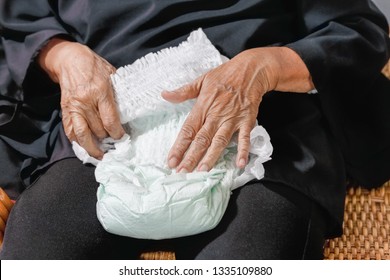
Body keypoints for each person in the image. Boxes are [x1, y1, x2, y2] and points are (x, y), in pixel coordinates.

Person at [0, 0, 389, 259]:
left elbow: (358, 28)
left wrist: (266, 66)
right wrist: (63, 55)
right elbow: (20, 18)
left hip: (262, 132)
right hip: (108, 132)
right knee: (40, 246)